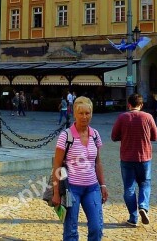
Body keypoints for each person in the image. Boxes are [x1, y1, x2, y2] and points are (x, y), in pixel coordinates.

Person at [51, 96, 106, 240]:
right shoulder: (66, 136)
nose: (84, 117)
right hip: (71, 189)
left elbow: (98, 162)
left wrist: (103, 185)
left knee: (97, 227)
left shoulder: (95, 135)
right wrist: (56, 192)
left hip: (92, 187)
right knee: (71, 230)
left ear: (91, 114)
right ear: (74, 114)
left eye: (87, 113)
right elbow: (57, 165)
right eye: (81, 113)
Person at [111, 93, 157, 227]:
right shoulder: (148, 117)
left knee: (129, 188)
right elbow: (155, 137)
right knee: (145, 183)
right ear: (141, 105)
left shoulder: (122, 117)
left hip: (127, 158)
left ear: (128, 104)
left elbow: (114, 136)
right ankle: (143, 206)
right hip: (144, 157)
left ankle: (133, 217)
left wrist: (125, 136)